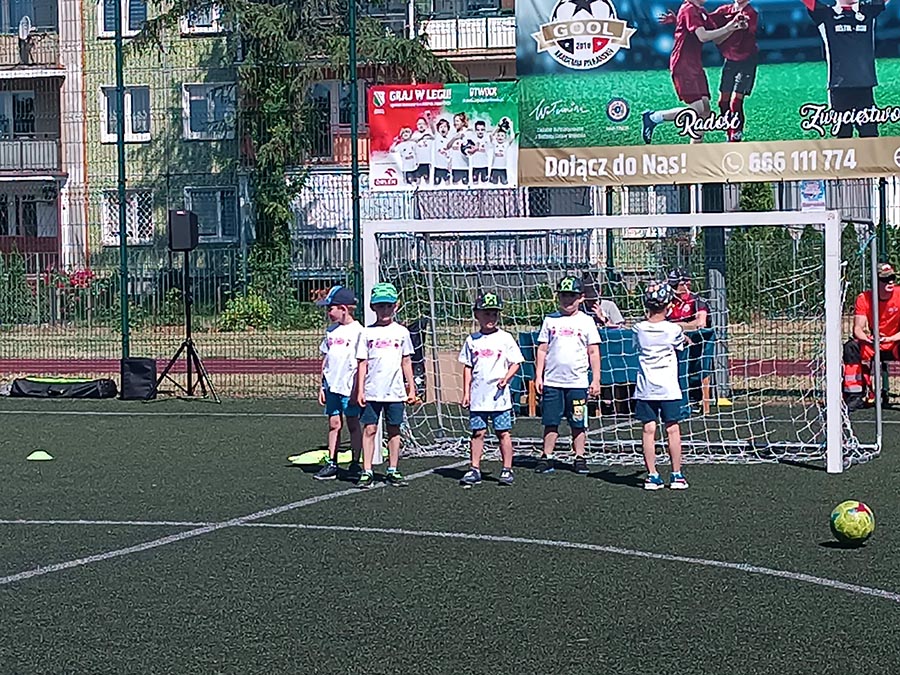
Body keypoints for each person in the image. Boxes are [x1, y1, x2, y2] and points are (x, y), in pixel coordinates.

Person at [643, 0, 748, 144]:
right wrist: (729, 27)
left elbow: (718, 39)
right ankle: (654, 117)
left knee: (705, 112)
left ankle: (695, 150)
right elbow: (703, 36)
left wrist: (734, 27)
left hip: (695, 66)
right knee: (697, 111)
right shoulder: (689, 9)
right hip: (683, 65)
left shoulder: (700, 11)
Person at [534, 276, 602, 475]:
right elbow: (542, 350)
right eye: (564, 295)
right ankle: (547, 456)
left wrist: (596, 379)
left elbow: (593, 352)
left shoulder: (586, 321)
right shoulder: (550, 320)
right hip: (553, 382)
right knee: (550, 422)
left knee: (578, 422)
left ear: (581, 297)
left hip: (577, 383)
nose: (567, 300)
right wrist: (539, 376)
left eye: (572, 295)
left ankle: (579, 456)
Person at [458, 292, 524, 488]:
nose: (491, 318)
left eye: (494, 314)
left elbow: (516, 363)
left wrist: (506, 378)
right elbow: (468, 367)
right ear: (477, 315)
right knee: (478, 432)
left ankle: (507, 469)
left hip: (498, 398)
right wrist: (466, 392)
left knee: (503, 432)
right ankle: (474, 468)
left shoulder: (505, 338)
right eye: (486, 313)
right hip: (479, 397)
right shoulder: (472, 340)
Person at [355, 282, 417, 489]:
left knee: (394, 429)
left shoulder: (402, 332)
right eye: (380, 306)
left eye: (388, 306)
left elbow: (406, 361)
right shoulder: (366, 333)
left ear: (395, 306)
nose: (385, 310)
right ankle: (367, 470)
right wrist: (360, 390)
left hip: (395, 391)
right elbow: (362, 363)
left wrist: (411, 388)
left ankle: (393, 468)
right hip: (372, 391)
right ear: (373, 307)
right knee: (370, 429)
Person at [803, 0, 888, 138]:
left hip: (865, 87)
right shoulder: (825, 14)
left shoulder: (868, 11)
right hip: (839, 87)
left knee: (870, 135)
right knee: (843, 136)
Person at [633, 281, 690, 490]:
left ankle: (652, 475)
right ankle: (676, 475)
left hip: (646, 388)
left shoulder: (638, 328)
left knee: (648, 430)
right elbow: (680, 344)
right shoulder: (674, 329)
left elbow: (638, 345)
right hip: (668, 388)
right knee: (672, 429)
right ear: (668, 305)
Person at [314, 285, 364, 481]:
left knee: (353, 424)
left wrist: (358, 389)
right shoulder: (331, 332)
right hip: (331, 386)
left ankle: (355, 462)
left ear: (343, 308)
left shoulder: (359, 331)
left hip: (349, 387)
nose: (328, 312)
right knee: (334, 424)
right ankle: (332, 462)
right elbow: (326, 359)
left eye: (331, 308)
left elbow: (361, 363)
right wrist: (322, 386)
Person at [843, 263, 900, 409]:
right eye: (885, 279)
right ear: (875, 281)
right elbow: (857, 329)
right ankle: (855, 395)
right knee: (851, 347)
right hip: (873, 344)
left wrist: (890, 338)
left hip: (895, 342)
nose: (890, 282)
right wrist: (869, 339)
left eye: (892, 278)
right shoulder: (864, 298)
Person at [666, 267, 710, 408]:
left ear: (687, 283)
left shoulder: (697, 300)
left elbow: (701, 322)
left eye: (676, 285)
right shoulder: (668, 300)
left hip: (693, 345)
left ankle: (693, 397)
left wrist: (675, 326)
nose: (673, 288)